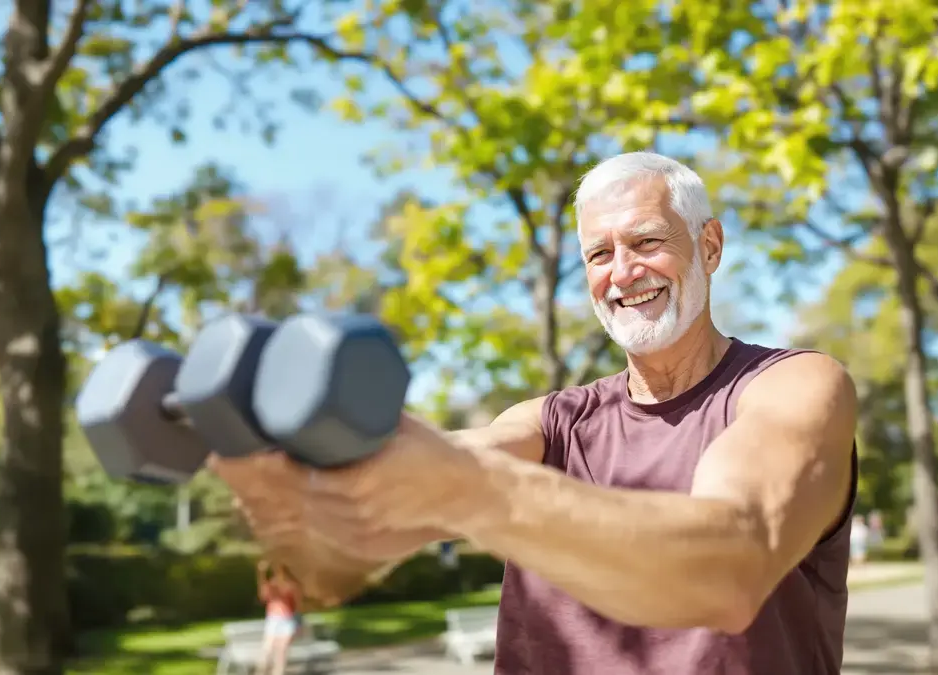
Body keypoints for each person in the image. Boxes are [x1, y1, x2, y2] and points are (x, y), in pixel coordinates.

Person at [211, 152, 860, 674]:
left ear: (710, 245)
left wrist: (468, 487)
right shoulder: (552, 422)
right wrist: (309, 478)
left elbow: (731, 565)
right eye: (599, 254)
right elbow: (418, 495)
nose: (624, 272)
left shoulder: (791, 386)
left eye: (647, 241)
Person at [256, 559, 303, 675]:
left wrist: (298, 622)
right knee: (268, 649)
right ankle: (261, 672)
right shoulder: (272, 585)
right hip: (274, 619)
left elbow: (297, 604)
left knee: (281, 651)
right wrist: (261, 574)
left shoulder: (291, 585)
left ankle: (278, 672)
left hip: (287, 620)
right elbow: (263, 596)